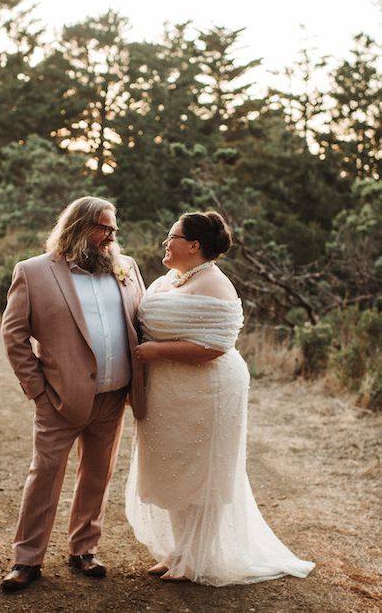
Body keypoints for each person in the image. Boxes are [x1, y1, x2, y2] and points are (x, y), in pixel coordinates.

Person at [125, 210, 315, 585]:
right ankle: (179, 551)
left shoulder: (216, 284)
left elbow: (214, 346)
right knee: (172, 472)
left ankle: (198, 557)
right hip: (168, 391)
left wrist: (154, 353)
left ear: (193, 245)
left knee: (202, 474)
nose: (166, 242)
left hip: (207, 389)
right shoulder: (170, 279)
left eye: (172, 236)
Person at [0, 196, 146, 591]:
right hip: (59, 400)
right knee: (44, 477)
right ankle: (26, 560)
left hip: (113, 396)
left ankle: (84, 548)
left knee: (97, 475)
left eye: (114, 229)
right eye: (104, 228)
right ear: (79, 227)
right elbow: (14, 337)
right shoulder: (33, 273)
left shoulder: (126, 267)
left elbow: (142, 321)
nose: (112, 236)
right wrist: (39, 393)